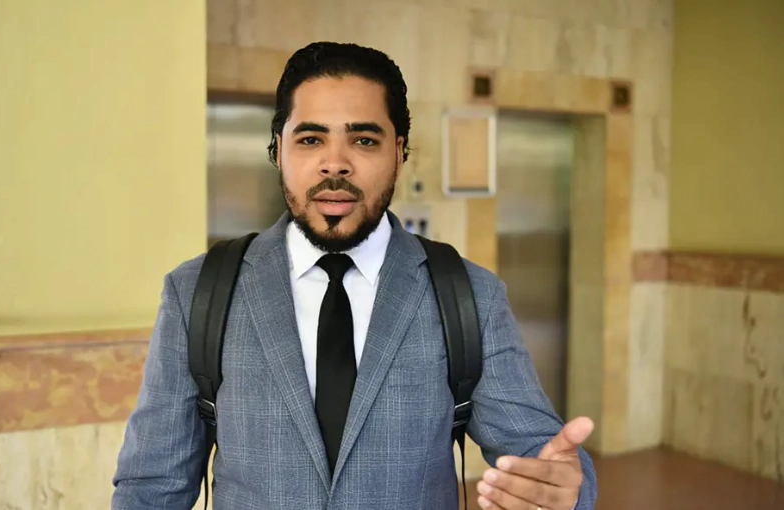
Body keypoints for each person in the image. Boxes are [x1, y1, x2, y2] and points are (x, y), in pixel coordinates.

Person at [111, 41, 598, 510]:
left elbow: (541, 456)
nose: (335, 164)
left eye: (364, 140)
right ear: (278, 149)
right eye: (310, 139)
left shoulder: (469, 295)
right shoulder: (198, 292)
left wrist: (562, 490)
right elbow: (152, 486)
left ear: (400, 153)